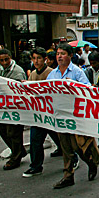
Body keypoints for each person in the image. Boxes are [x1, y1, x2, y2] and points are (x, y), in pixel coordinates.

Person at [48, 43, 99, 189]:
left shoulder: (77, 72)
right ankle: (68, 175)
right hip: (60, 115)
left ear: (70, 56)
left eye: (63, 53)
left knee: (77, 145)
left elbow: (86, 89)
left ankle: (90, 162)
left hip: (74, 115)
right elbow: (45, 91)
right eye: (58, 53)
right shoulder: (52, 74)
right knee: (65, 147)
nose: (59, 56)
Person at [23, 47, 64, 177]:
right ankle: (36, 166)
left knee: (60, 139)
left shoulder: (51, 73)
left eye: (39, 58)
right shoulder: (33, 75)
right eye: (34, 58)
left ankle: (72, 159)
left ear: (45, 59)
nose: (36, 61)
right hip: (38, 114)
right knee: (35, 140)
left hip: (51, 113)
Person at [0, 49, 27, 170]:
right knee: (3, 131)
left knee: (14, 133)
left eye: (6, 59)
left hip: (15, 108)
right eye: (1, 60)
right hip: (3, 107)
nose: (4, 62)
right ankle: (19, 151)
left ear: (11, 58)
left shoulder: (17, 72)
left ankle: (15, 158)